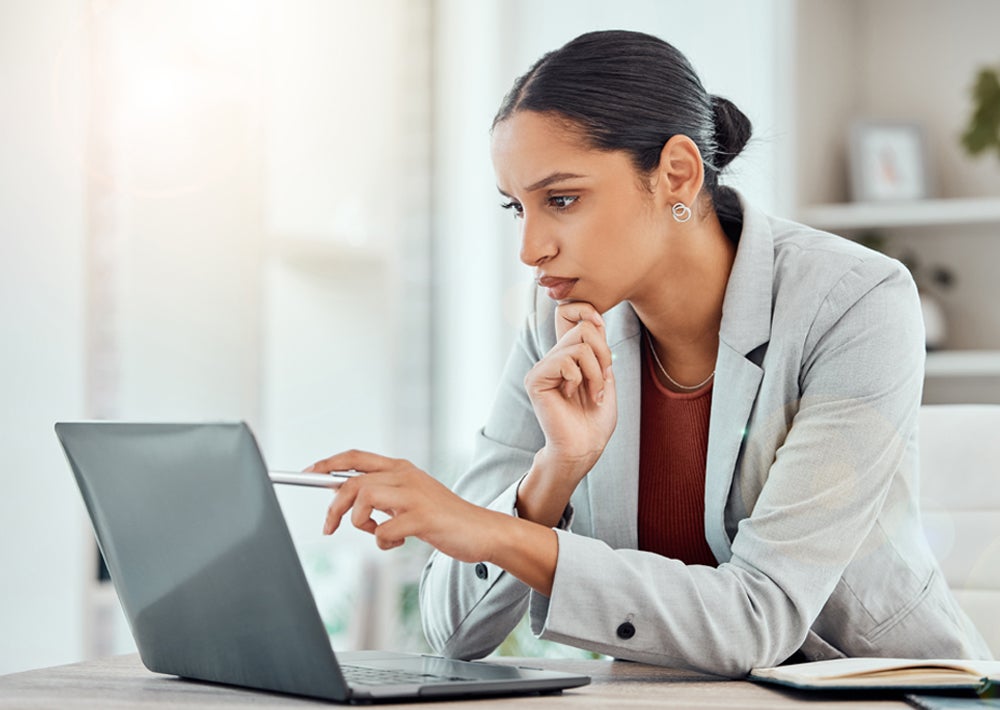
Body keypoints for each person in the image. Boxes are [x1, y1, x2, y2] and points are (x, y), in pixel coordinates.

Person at [308, 30, 991, 676]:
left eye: (563, 199)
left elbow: (761, 616)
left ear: (676, 173)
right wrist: (551, 475)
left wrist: (494, 531)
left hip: (879, 694)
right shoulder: (556, 318)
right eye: (517, 207)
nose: (530, 248)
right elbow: (453, 633)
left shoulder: (854, 301)